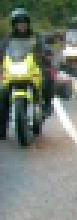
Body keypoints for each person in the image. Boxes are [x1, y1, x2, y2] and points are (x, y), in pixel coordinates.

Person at [1, 8, 53, 139]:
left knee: (48, 79)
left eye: (24, 22)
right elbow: (1, 50)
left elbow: (45, 47)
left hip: (33, 69)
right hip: (14, 71)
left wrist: (46, 53)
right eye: (18, 23)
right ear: (14, 25)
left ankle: (46, 106)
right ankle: (2, 127)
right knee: (2, 93)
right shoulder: (8, 39)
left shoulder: (35, 37)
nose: (21, 25)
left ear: (28, 23)